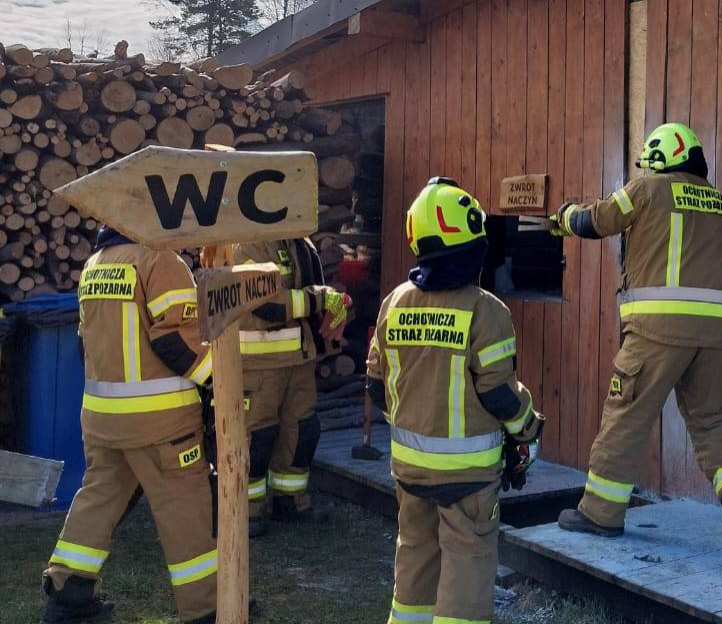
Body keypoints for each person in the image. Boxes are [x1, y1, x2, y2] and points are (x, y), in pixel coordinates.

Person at [552, 122, 722, 542]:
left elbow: (596, 221)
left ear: (661, 157)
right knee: (714, 417)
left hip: (658, 329)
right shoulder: (719, 203)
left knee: (627, 414)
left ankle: (600, 512)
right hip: (716, 335)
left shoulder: (647, 189)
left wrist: (563, 217)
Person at [367, 178, 544, 624]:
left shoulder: (395, 302)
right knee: (468, 561)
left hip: (409, 468)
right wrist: (529, 429)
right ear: (474, 247)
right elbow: (499, 393)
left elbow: (375, 383)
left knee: (416, 554)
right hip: (468, 478)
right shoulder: (487, 311)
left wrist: (414, 423)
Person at [43, 227, 217, 624]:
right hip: (162, 422)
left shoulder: (95, 265)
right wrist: (220, 380)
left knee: (99, 498)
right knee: (184, 509)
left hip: (103, 418)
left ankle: (68, 598)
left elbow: (85, 341)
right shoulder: (160, 261)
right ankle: (208, 609)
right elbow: (174, 341)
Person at [233, 238, 349, 537]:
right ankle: (247, 511)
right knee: (256, 438)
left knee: (301, 431)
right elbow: (266, 303)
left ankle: (291, 503)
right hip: (259, 364)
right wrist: (321, 297)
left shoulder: (300, 243)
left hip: (299, 359)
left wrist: (334, 302)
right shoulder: (248, 244)